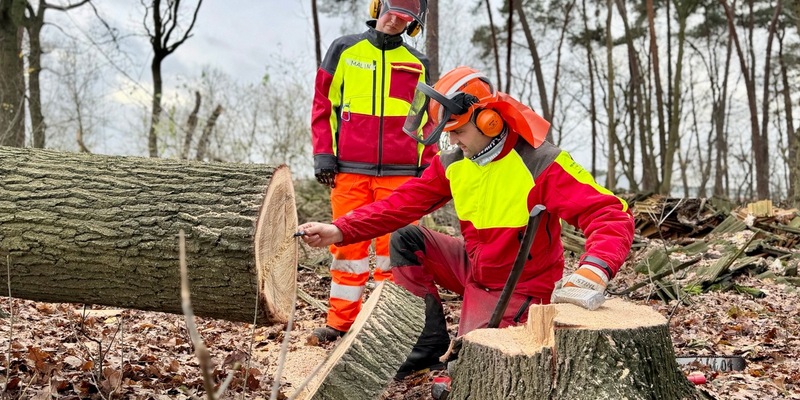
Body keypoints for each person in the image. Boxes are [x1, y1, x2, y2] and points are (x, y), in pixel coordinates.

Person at [300, 66, 635, 379]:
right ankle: (426, 343)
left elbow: (610, 214)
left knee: (470, 370)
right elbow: (400, 203)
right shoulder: (455, 163)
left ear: (488, 119)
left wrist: (594, 269)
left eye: (458, 131)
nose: (454, 142)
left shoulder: (541, 162)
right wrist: (341, 229)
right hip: (475, 268)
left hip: (522, 287)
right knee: (406, 238)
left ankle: (462, 356)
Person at [309, 0, 438, 344]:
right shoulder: (344, 49)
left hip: (401, 173)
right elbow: (323, 106)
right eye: (393, 10)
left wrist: (429, 165)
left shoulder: (418, 63)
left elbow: (429, 120)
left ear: (413, 23)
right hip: (350, 170)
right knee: (346, 250)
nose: (396, 20)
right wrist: (324, 154)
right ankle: (338, 323)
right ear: (378, 7)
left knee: (392, 253)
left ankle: (381, 328)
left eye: (406, 17)